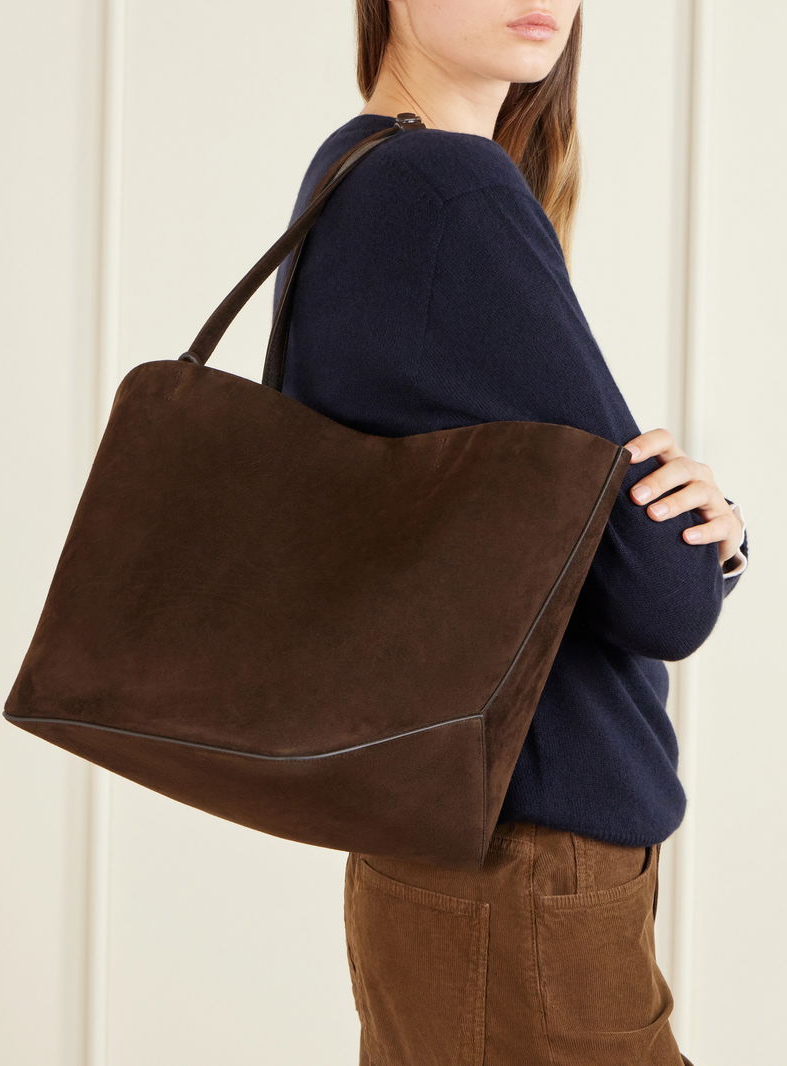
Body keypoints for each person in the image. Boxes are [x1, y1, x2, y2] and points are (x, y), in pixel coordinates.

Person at [271, 2, 749, 1063]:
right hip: (526, 870)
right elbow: (661, 599)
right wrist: (714, 538)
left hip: (432, 855)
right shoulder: (448, 189)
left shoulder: (352, 171)